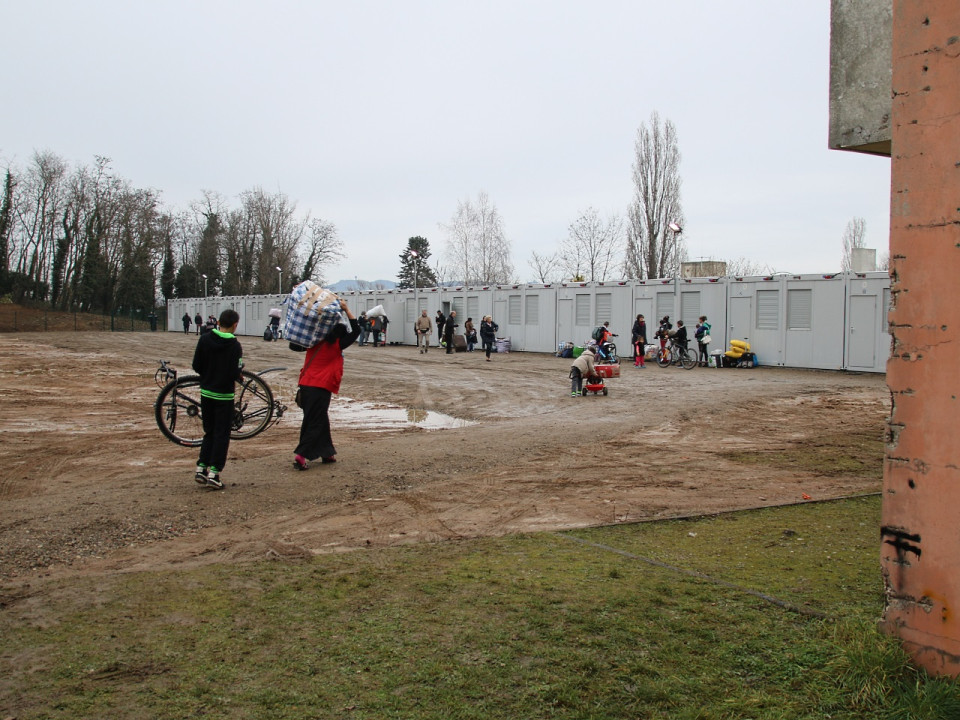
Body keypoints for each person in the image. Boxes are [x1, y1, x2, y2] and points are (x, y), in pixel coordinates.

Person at [293, 298, 360, 470]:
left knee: (319, 418)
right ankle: (301, 455)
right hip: (320, 387)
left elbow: (294, 344)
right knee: (315, 422)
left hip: (306, 385)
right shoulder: (337, 345)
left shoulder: (313, 341)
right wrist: (346, 309)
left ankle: (327, 452)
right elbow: (357, 330)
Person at [191, 308, 243, 490]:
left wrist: (208, 375)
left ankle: (201, 467)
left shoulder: (204, 339)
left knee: (210, 431)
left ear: (218, 322)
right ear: (235, 325)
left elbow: (196, 365)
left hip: (206, 393)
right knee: (222, 434)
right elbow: (235, 372)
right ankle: (214, 472)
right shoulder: (235, 346)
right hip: (224, 395)